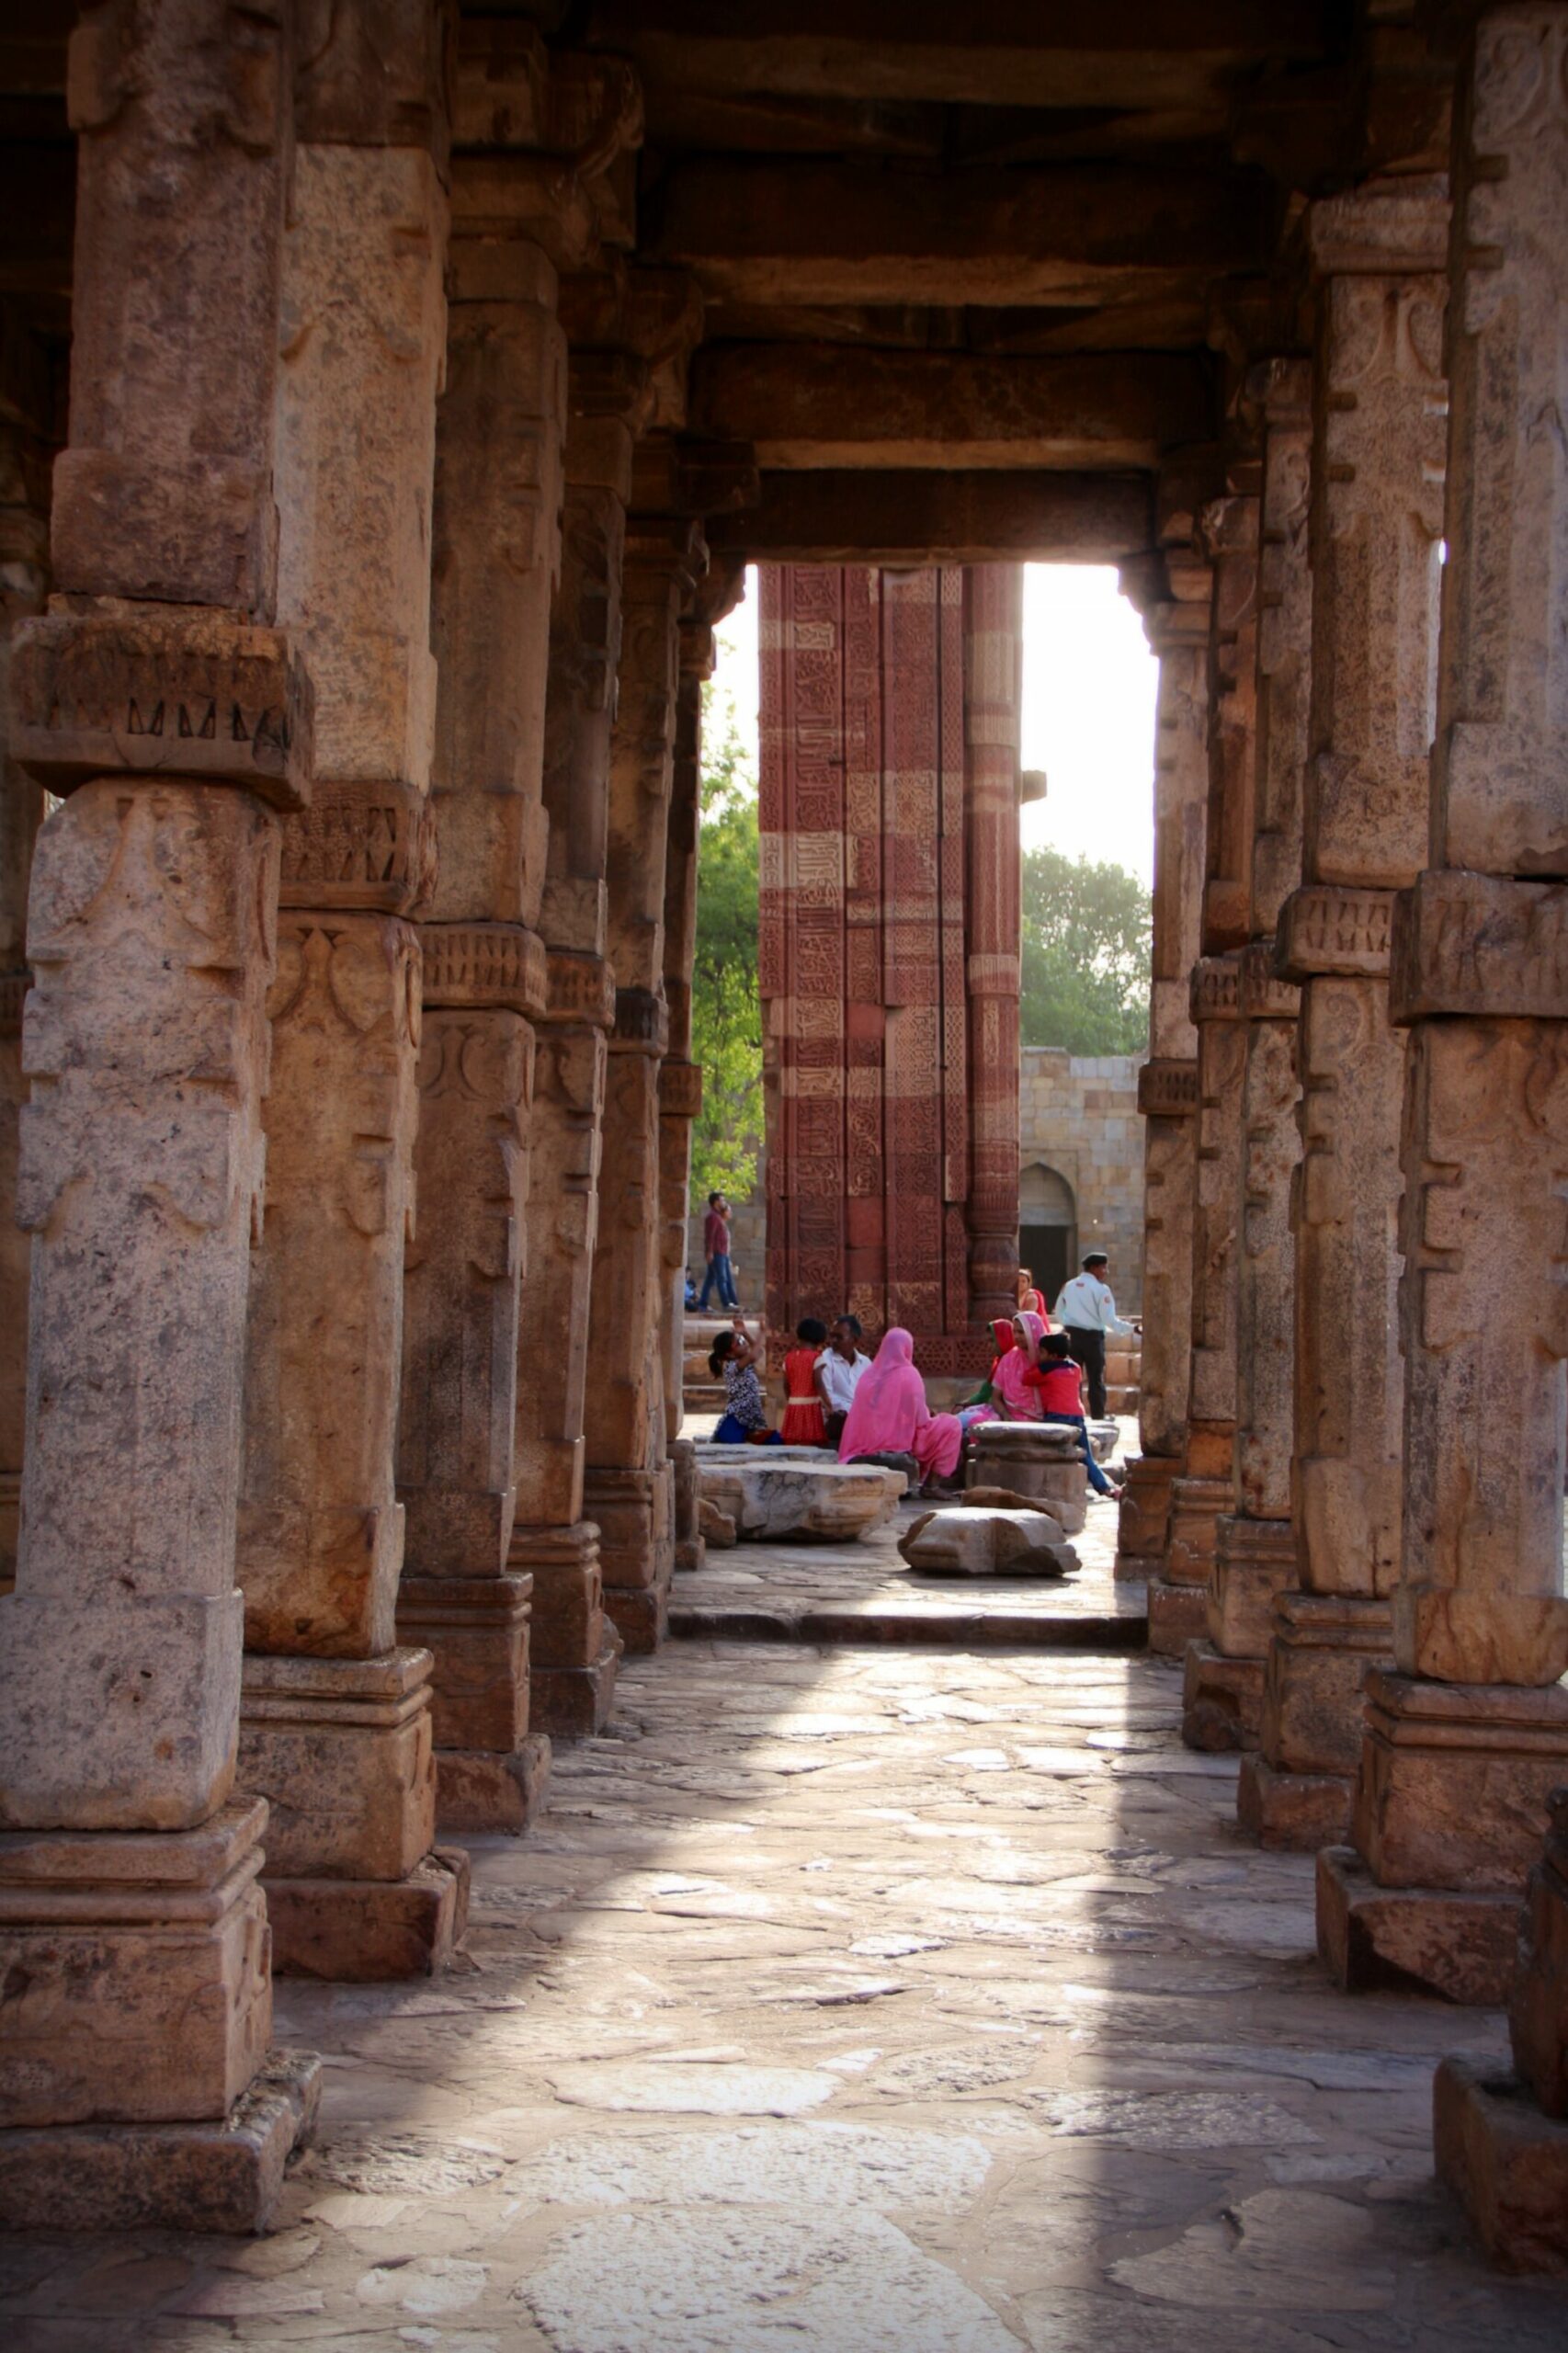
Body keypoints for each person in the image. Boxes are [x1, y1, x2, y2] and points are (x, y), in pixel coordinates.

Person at [838, 1326, 962, 1496]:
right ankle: (931, 1486)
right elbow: (921, 1421)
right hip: (898, 1445)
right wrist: (930, 1414)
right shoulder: (909, 1375)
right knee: (952, 1424)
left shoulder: (868, 1375)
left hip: (860, 1446)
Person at [1025, 1328, 1117, 1498]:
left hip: (1056, 1416)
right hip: (1077, 1416)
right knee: (1087, 1456)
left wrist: (1037, 1364)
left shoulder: (1046, 1370)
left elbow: (1027, 1379)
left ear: (1052, 1355)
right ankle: (1106, 1489)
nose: (1039, 1356)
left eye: (1042, 1352)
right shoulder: (1075, 1368)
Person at [1052, 1249, 1132, 1421]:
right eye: (1104, 1268)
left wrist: (1068, 1324)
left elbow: (1059, 1312)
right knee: (1096, 1379)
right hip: (1093, 1339)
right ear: (1094, 1268)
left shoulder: (1068, 1286)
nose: (1106, 1272)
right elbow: (1108, 1319)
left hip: (1072, 1337)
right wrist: (1130, 1329)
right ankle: (1098, 1416)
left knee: (1073, 1378)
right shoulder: (1101, 1289)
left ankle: (1074, 1414)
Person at [709, 1323, 780, 1444]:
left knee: (775, 1440)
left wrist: (745, 1334)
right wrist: (761, 1333)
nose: (744, 1343)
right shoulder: (731, 1366)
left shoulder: (744, 1361)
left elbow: (758, 1352)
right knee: (729, 1440)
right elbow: (753, 1355)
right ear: (730, 1354)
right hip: (738, 1415)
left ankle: (749, 1435)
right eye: (739, 1342)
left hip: (753, 1415)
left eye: (742, 1340)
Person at [815, 1314, 870, 1446]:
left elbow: (873, 1395)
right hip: (837, 1422)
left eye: (839, 1337)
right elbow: (827, 1398)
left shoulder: (866, 1363)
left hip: (862, 1419)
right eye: (832, 1336)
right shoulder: (824, 1360)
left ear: (855, 1340)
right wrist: (855, 1411)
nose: (833, 1341)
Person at [781, 1318, 829, 1445]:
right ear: (820, 1339)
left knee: (792, 1439)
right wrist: (828, 1404)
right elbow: (818, 1383)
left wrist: (791, 1399)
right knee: (810, 1439)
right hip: (810, 1406)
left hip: (793, 1404)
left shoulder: (789, 1358)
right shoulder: (816, 1358)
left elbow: (786, 1384)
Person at [698, 1191, 738, 1312]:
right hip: (717, 1253)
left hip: (722, 1253)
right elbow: (710, 1236)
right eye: (722, 1200)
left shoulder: (718, 1217)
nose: (724, 1203)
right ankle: (726, 1304)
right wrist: (709, 1252)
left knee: (710, 1279)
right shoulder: (712, 1217)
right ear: (716, 1202)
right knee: (722, 1279)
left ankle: (702, 1304)